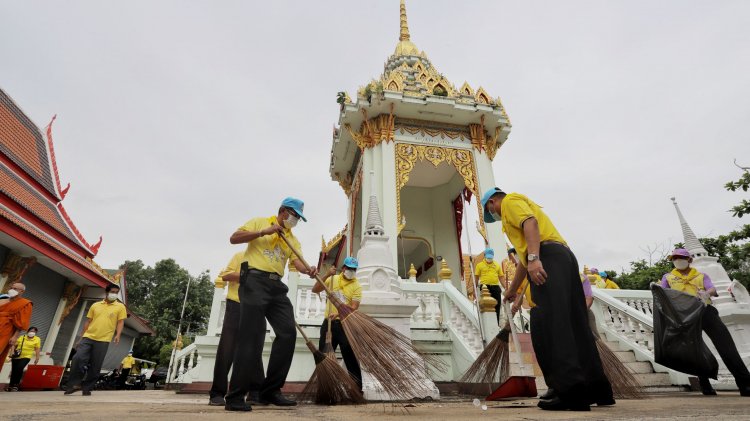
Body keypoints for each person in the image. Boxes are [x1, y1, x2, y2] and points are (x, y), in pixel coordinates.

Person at [482, 187, 613, 411]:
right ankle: (595, 389)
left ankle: (570, 392)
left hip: (547, 257)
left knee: (550, 327)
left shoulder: (510, 202)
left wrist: (534, 258)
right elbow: (524, 260)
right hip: (562, 258)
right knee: (575, 325)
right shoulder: (521, 211)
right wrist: (513, 289)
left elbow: (530, 224)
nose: (494, 215)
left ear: (493, 202)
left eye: (489, 211)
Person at [224, 197, 318, 412]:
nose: (295, 220)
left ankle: (270, 391)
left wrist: (309, 269)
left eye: (298, 218)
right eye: (294, 215)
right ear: (283, 211)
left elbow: (297, 264)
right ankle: (236, 396)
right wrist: (263, 232)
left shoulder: (292, 239)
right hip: (254, 282)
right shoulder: (259, 222)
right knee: (253, 337)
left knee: (287, 333)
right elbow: (234, 238)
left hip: (277, 287)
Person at [660, 248, 750, 397]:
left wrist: (706, 293)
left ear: (689, 260)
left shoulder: (701, 275)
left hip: (706, 311)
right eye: (674, 258)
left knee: (726, 347)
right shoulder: (668, 277)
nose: (677, 260)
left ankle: (745, 383)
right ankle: (705, 386)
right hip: (684, 316)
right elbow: (663, 293)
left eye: (680, 258)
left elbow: (712, 289)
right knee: (695, 350)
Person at [208, 251, 261, 406]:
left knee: (254, 350)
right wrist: (247, 277)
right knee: (227, 348)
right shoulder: (241, 255)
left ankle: (255, 392)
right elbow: (226, 276)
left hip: (256, 307)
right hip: (236, 304)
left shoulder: (267, 261)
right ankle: (217, 393)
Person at [65, 283, 127, 396]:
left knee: (95, 364)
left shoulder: (120, 307)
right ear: (107, 292)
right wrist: (81, 337)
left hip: (104, 339)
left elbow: (120, 322)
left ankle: (87, 387)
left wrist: (118, 335)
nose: (114, 294)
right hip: (88, 337)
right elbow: (88, 321)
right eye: (112, 292)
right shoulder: (96, 305)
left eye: (116, 293)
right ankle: (75, 384)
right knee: (78, 358)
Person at [312, 257, 363, 390]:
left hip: (345, 324)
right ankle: (325, 388)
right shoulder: (332, 279)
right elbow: (315, 289)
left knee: (350, 356)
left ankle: (357, 389)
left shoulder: (356, 285)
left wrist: (339, 313)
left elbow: (354, 306)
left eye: (354, 269)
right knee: (324, 357)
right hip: (328, 324)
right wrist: (327, 274)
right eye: (349, 268)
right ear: (343, 268)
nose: (351, 271)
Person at [0, 283, 33, 372]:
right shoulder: (2, 300)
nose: (12, 289)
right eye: (11, 287)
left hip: (6, 331)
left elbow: (22, 323)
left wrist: (15, 336)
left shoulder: (25, 304)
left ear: (21, 291)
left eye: (15, 288)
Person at [6, 326, 41, 391]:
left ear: (36, 333)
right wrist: (12, 352)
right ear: (28, 331)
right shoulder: (22, 337)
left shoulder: (37, 339)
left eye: (34, 331)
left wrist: (37, 358)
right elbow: (14, 344)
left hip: (26, 356)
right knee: (14, 370)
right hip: (16, 356)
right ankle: (10, 386)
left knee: (20, 368)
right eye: (31, 331)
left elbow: (37, 349)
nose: (32, 332)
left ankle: (16, 385)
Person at [474, 248, 504, 322]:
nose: (489, 259)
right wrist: (474, 290)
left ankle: (496, 324)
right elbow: (476, 278)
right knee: (486, 307)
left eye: (490, 257)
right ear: (484, 256)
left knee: (497, 306)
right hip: (485, 288)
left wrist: (507, 288)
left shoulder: (497, 265)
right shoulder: (479, 265)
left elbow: (501, 278)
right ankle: (487, 323)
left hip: (496, 287)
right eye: (488, 257)